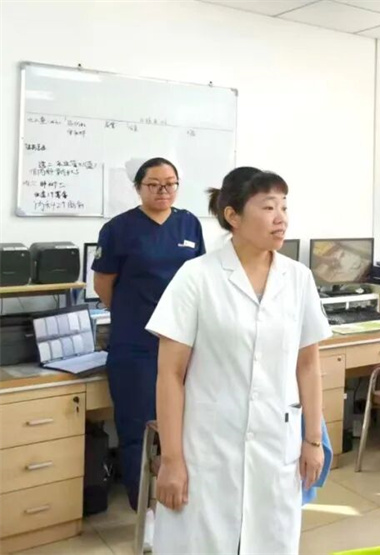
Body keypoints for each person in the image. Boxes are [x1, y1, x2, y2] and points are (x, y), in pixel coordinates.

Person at [146, 169, 332, 554]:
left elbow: (308, 366)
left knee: (269, 542)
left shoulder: (298, 279)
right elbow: (170, 375)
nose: (281, 218)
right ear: (233, 216)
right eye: (268, 207)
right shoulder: (197, 277)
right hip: (207, 450)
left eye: (284, 207)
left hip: (276, 448)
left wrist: (313, 441)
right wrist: (172, 460)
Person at [91, 157, 205, 547]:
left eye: (170, 183)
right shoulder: (118, 229)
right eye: (154, 184)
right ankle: (148, 514)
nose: (163, 191)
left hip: (185, 342)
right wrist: (133, 315)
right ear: (138, 187)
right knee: (138, 429)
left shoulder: (189, 224)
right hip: (136, 345)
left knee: (186, 426)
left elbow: (199, 279)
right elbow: (104, 285)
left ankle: (183, 503)